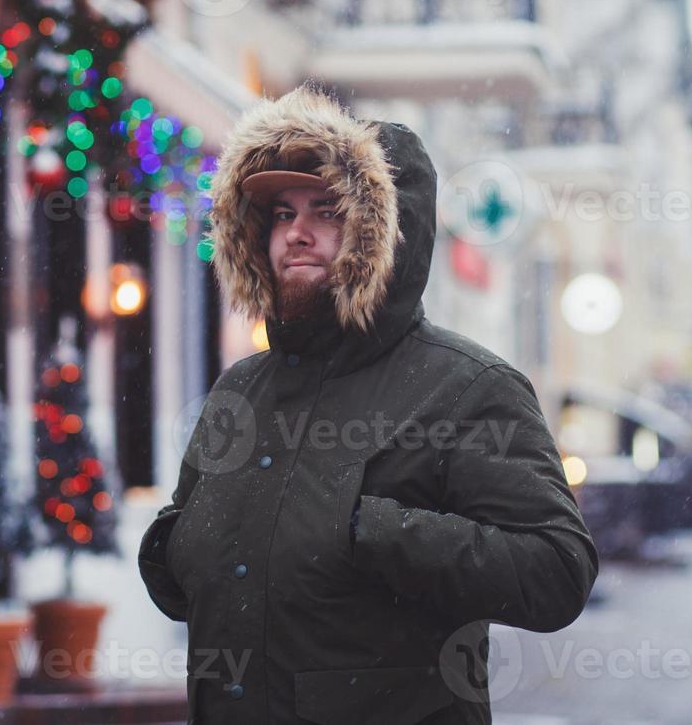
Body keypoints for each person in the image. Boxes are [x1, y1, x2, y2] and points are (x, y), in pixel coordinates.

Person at [138, 84, 598, 723]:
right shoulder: (240, 388)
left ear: (386, 234)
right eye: (279, 214)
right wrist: (174, 542)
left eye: (326, 210)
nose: (295, 233)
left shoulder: (467, 387)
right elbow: (186, 554)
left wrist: (373, 531)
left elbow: (556, 571)